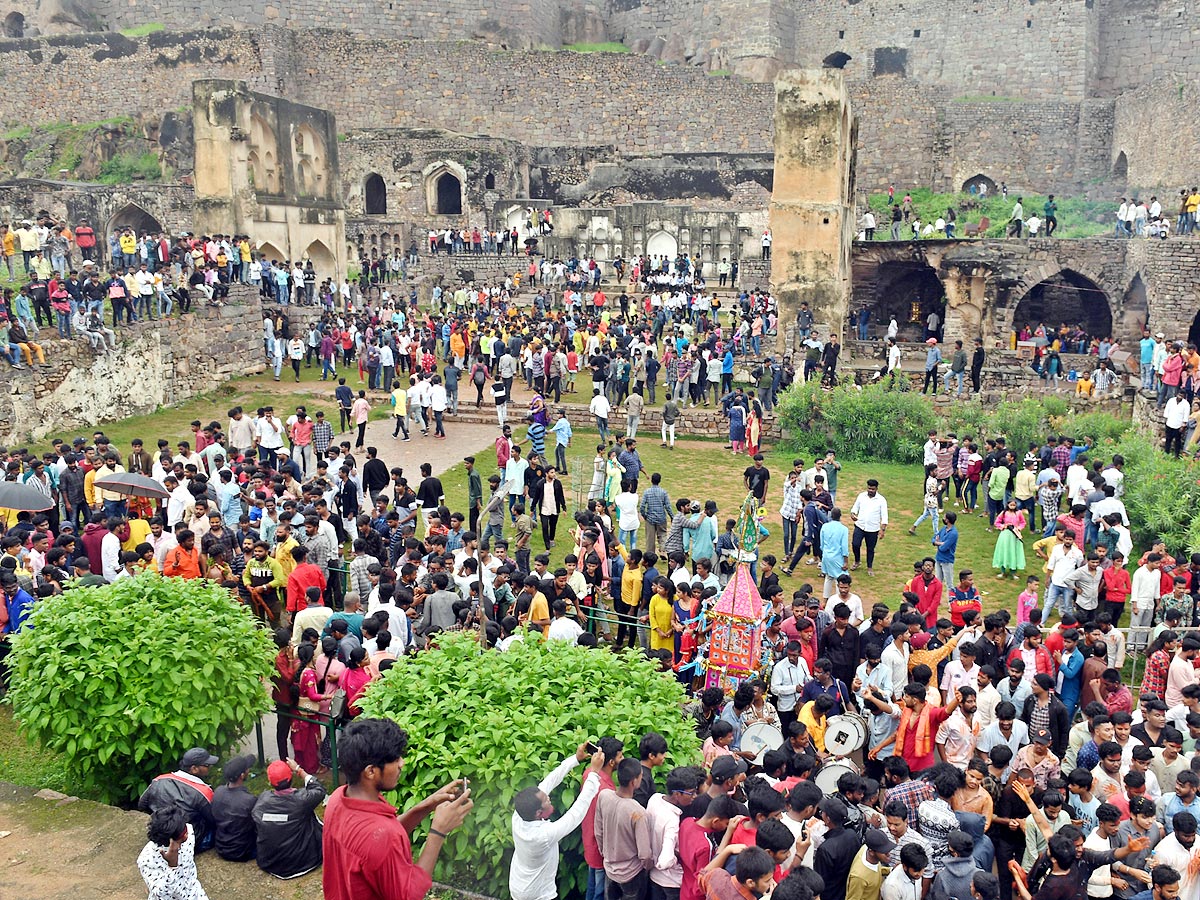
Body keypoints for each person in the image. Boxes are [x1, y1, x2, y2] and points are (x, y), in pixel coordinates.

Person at [323, 718, 473, 900]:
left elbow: (376, 838)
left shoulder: (338, 799)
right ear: (371, 771)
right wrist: (438, 831)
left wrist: (427, 804)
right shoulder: (383, 837)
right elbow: (408, 895)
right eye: (395, 759)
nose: (402, 763)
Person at [510, 744, 606, 900]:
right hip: (538, 895)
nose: (549, 798)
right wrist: (594, 773)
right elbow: (576, 813)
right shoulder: (543, 836)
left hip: (518, 886)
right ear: (538, 813)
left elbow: (548, 781)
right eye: (546, 800)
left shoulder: (519, 815)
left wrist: (575, 759)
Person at [252, 758, 326, 879]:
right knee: (312, 817)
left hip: (269, 863)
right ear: (291, 778)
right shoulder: (302, 800)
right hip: (304, 863)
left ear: (270, 782)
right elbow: (319, 789)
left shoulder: (262, 800)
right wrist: (299, 770)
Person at [137, 747, 220, 854]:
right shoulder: (203, 791)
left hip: (161, 836)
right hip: (184, 839)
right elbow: (213, 820)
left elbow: (142, 804)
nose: (210, 767)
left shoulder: (159, 780)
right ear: (194, 768)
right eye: (207, 765)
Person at [137, 804, 210, 900]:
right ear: (168, 841)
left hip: (194, 893)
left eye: (185, 829)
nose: (187, 835)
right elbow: (161, 895)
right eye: (182, 835)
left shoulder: (188, 831)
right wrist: (172, 866)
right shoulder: (147, 860)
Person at [211, 754, 259, 863]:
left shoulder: (218, 792)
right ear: (242, 775)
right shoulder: (249, 800)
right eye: (247, 768)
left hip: (221, 847)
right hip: (243, 851)